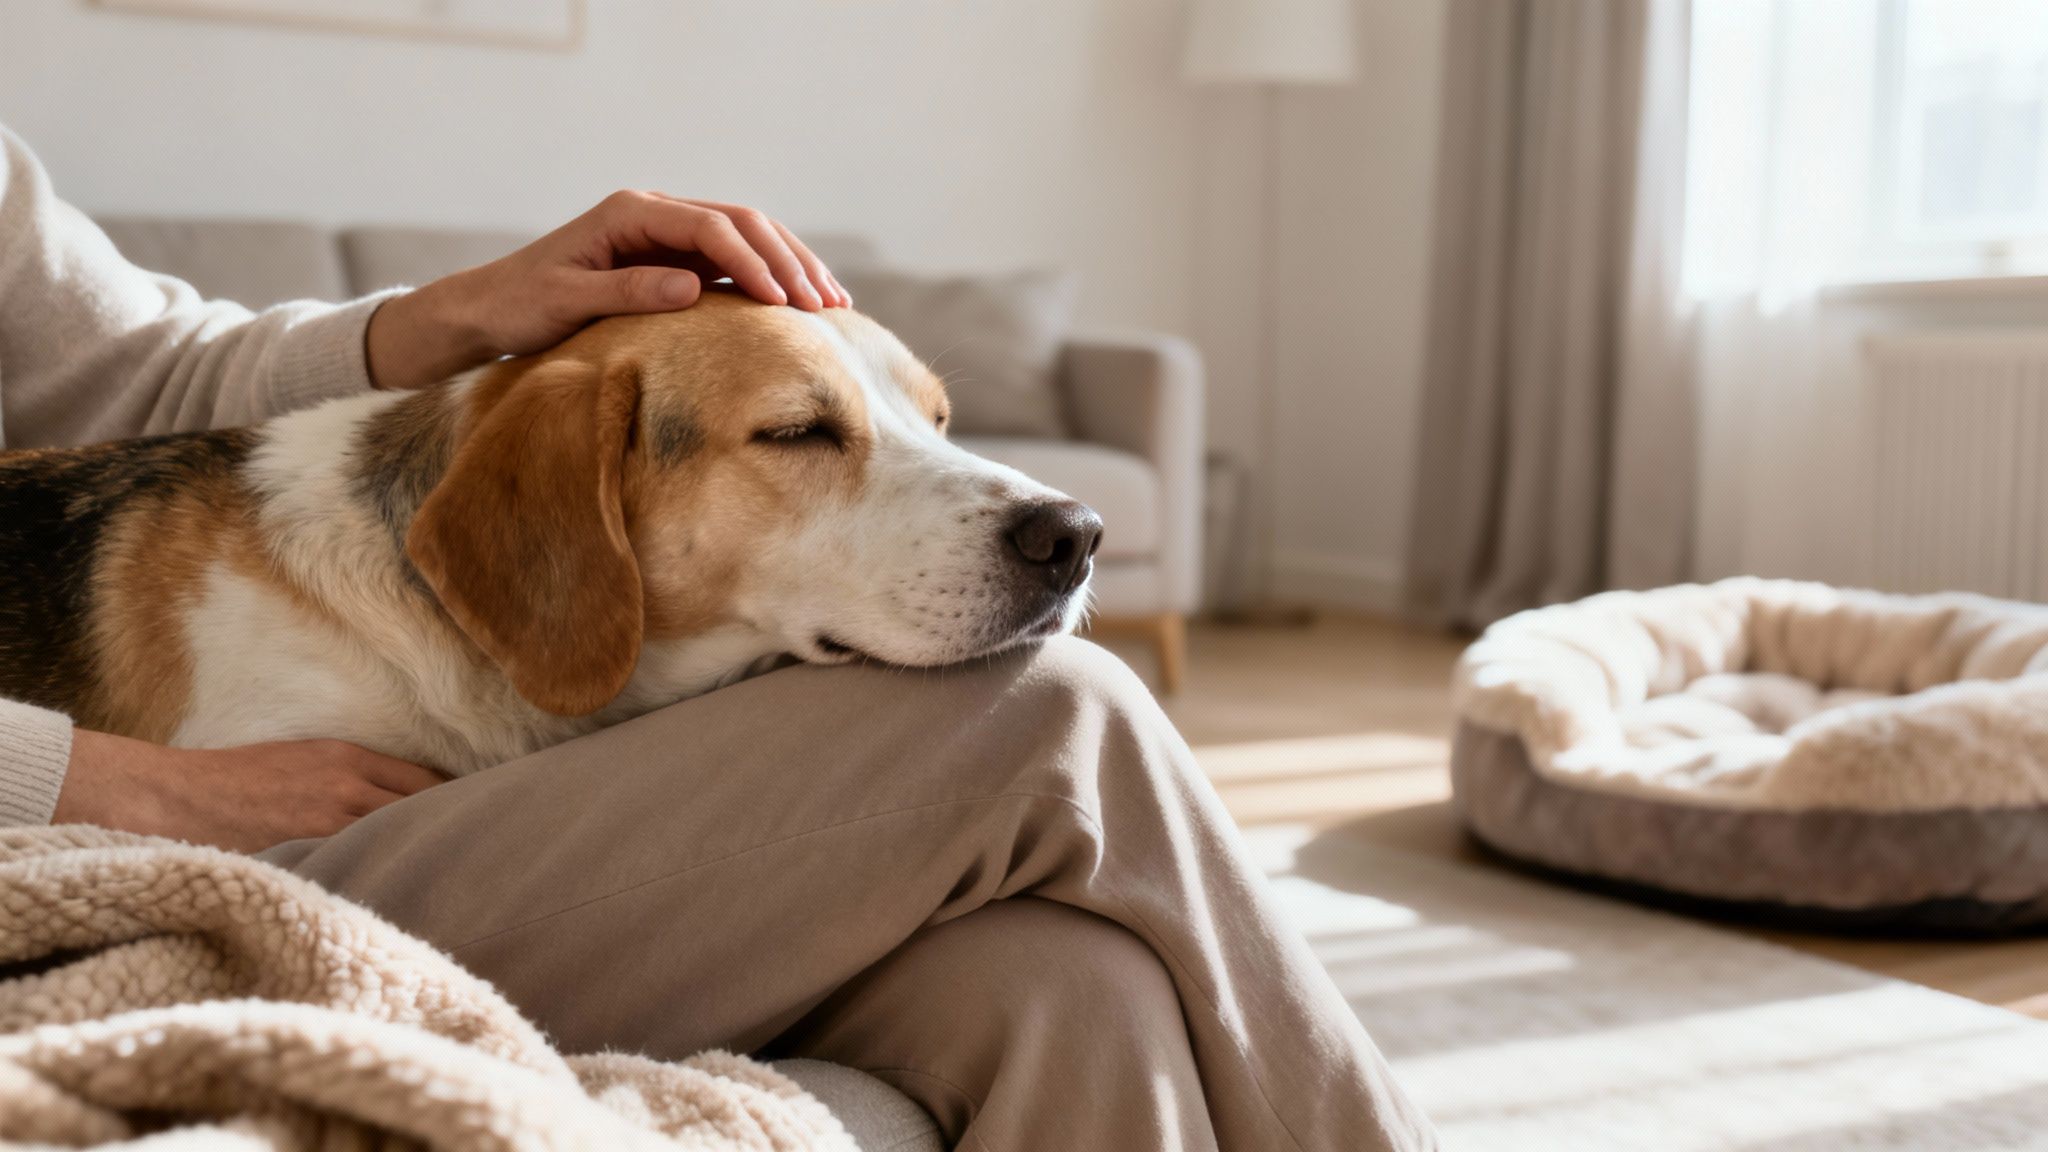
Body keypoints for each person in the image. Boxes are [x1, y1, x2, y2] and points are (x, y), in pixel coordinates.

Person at [0, 124, 1436, 1152]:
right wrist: (105, 782)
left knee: (1074, 995)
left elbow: (131, 370)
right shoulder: (241, 612)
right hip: (103, 864)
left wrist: (458, 313)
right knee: (1058, 711)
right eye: (808, 434)